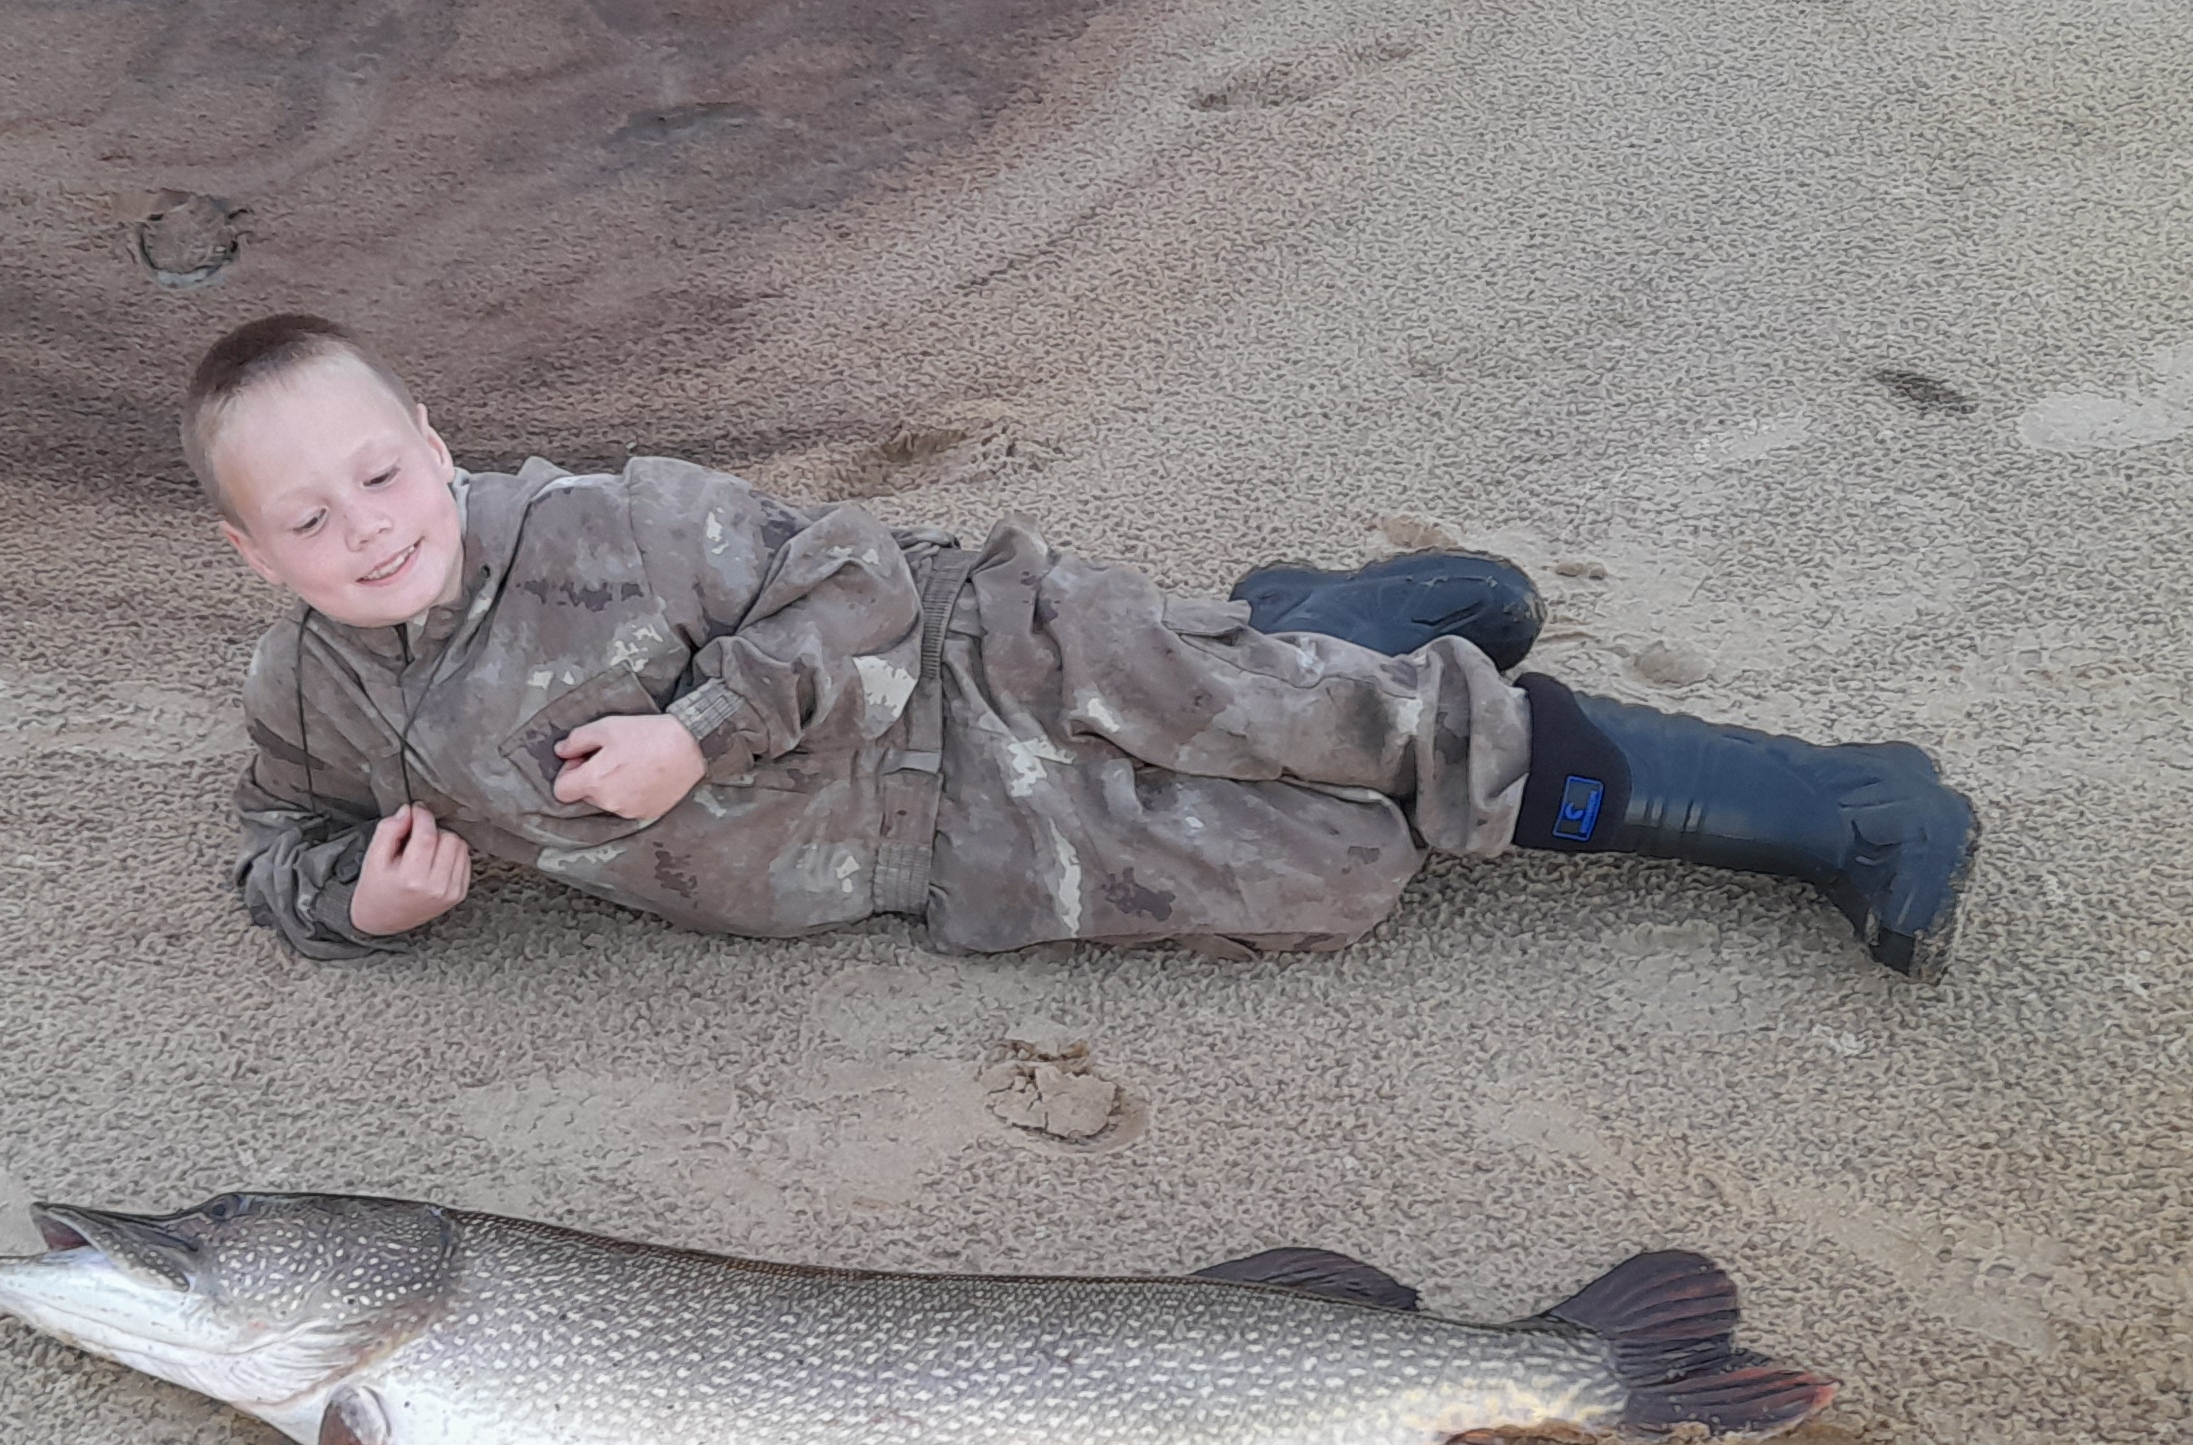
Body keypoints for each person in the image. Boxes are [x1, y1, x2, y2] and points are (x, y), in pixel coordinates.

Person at [196, 312, 1979, 976]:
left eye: (380, 474)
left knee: (1403, 741)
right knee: (1342, 871)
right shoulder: (311, 697)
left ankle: (1839, 807)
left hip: (994, 653)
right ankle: (1333, 619)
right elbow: (279, 844)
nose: (367, 531)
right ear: (250, 551)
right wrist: (363, 906)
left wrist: (702, 735)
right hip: (945, 853)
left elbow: (854, 583)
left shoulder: (613, 522)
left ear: (433, 437)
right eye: (309, 519)